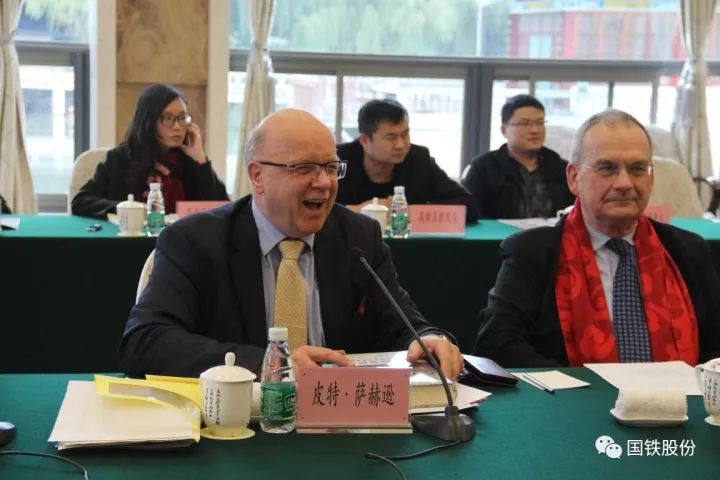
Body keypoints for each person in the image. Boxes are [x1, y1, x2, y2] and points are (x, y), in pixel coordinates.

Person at [120, 108, 464, 379]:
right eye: (304, 168)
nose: (324, 183)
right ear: (257, 176)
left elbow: (403, 323)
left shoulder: (359, 237)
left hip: (338, 421)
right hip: (239, 422)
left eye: (331, 167)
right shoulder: (196, 240)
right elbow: (145, 341)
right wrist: (270, 365)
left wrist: (428, 338)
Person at [474, 109, 720, 367]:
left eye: (637, 169)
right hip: (575, 393)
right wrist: (581, 386)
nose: (624, 183)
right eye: (607, 168)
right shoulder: (533, 252)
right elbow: (497, 344)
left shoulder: (687, 250)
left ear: (651, 179)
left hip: (678, 393)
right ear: (574, 178)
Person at [72, 84, 228, 219]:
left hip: (183, 240)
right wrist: (127, 208)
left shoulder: (191, 161)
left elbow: (225, 209)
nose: (177, 127)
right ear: (149, 121)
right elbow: (81, 201)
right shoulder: (122, 158)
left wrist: (200, 158)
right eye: (168, 118)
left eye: (182, 118)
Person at [336, 99, 479, 223]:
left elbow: (469, 206)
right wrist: (362, 211)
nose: (401, 145)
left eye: (405, 135)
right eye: (391, 137)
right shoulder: (338, 160)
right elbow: (324, 209)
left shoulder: (419, 159)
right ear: (364, 140)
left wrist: (405, 211)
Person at [462, 94, 574, 219]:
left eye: (540, 123)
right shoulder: (482, 169)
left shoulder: (561, 168)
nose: (535, 130)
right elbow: (469, 215)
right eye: (525, 124)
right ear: (504, 130)